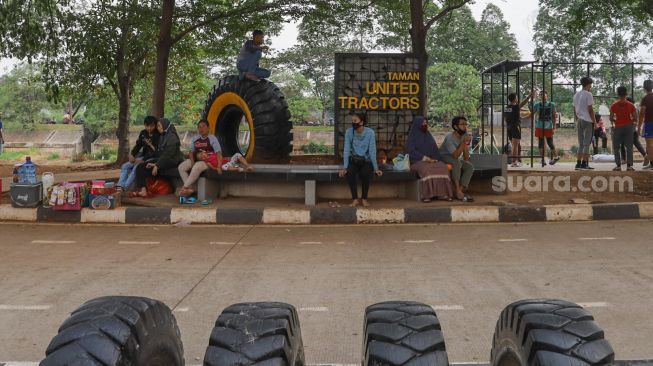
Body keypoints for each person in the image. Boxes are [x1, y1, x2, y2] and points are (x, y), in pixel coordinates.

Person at [338, 112, 383, 207]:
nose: (353, 123)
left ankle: (364, 199)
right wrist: (345, 167)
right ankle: (355, 199)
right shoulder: (349, 132)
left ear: (361, 122)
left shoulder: (370, 133)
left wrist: (376, 168)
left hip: (366, 161)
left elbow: (372, 151)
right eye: (352, 121)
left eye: (355, 121)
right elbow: (346, 150)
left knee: (366, 173)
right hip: (354, 160)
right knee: (349, 173)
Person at [131, 118, 184, 198]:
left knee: (146, 167)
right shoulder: (163, 136)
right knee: (141, 167)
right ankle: (143, 190)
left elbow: (168, 154)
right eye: (157, 126)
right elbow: (160, 153)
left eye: (159, 126)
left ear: (165, 125)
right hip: (164, 160)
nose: (157, 128)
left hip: (174, 161)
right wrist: (154, 162)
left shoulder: (172, 137)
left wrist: (157, 165)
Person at [406, 116, 453, 203]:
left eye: (426, 123)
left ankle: (443, 194)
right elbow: (411, 151)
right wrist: (425, 158)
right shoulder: (412, 136)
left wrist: (435, 160)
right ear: (417, 124)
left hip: (431, 160)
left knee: (443, 167)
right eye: (423, 123)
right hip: (417, 161)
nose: (425, 124)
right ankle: (427, 195)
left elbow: (434, 149)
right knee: (427, 170)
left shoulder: (428, 135)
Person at [178, 119, 222, 197]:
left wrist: (219, 166)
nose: (201, 129)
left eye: (203, 126)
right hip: (195, 159)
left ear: (208, 128)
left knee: (197, 166)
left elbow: (218, 153)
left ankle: (184, 188)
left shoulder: (212, 138)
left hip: (208, 161)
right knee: (181, 167)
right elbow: (191, 152)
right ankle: (189, 188)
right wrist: (191, 161)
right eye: (199, 127)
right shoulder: (195, 139)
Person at [117, 116, 159, 191]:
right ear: (144, 125)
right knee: (125, 166)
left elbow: (155, 151)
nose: (149, 128)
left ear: (155, 125)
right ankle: (120, 186)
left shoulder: (158, 135)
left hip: (153, 158)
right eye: (147, 126)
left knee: (136, 167)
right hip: (143, 157)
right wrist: (132, 154)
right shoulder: (143, 133)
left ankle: (125, 188)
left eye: (151, 126)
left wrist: (143, 160)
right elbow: (138, 145)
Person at [440, 116, 474, 201]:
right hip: (443, 156)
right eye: (462, 124)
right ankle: (457, 190)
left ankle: (459, 191)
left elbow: (466, 158)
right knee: (456, 162)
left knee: (469, 166)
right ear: (455, 126)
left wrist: (466, 144)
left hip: (454, 157)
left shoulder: (464, 135)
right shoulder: (449, 138)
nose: (465, 126)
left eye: (466, 124)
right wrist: (463, 143)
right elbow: (455, 156)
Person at [609, 86, 636, 171]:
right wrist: (630, 121)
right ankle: (629, 166)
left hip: (618, 127)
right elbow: (635, 117)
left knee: (616, 147)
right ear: (626, 94)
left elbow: (611, 118)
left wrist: (616, 120)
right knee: (629, 146)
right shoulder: (631, 105)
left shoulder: (614, 105)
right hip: (628, 127)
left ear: (618, 94)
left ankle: (618, 166)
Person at [573, 76, 597, 170]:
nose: (591, 86)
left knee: (581, 143)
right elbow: (590, 109)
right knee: (587, 143)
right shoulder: (588, 94)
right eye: (590, 84)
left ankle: (578, 164)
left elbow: (574, 108)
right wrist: (595, 122)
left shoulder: (576, 95)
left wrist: (577, 119)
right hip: (587, 120)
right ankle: (584, 163)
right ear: (588, 84)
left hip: (579, 120)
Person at [532, 91, 560, 167]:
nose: (542, 96)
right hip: (539, 126)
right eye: (541, 95)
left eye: (544, 95)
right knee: (540, 143)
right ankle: (542, 159)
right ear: (539, 97)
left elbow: (554, 116)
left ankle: (556, 157)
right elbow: (532, 113)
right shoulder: (537, 104)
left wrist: (554, 127)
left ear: (547, 96)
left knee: (550, 142)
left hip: (548, 126)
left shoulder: (551, 104)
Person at [504, 92, 532, 167]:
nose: (518, 98)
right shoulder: (515, 107)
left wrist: (519, 116)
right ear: (515, 99)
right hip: (515, 127)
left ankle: (517, 160)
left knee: (516, 145)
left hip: (509, 127)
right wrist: (529, 96)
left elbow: (507, 117)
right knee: (515, 146)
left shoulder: (507, 108)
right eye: (517, 97)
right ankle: (514, 162)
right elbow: (522, 103)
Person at [621, 97, 649, 166]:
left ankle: (624, 159)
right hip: (633, 129)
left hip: (628, 129)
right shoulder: (635, 108)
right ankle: (645, 155)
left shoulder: (629, 108)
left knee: (622, 143)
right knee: (636, 143)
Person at [639, 79, 653, 170]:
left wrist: (638, 126)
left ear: (644, 88)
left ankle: (651, 164)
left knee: (649, 144)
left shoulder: (645, 99)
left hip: (649, 123)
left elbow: (642, 113)